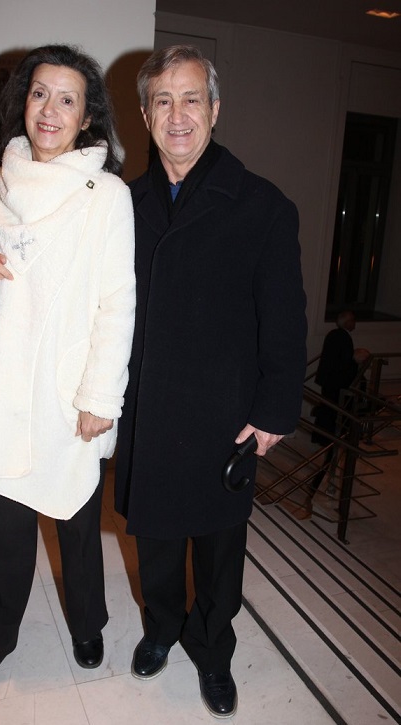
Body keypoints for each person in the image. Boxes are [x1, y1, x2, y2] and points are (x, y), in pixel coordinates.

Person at [114, 45, 307, 719]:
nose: (178, 115)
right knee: (156, 541)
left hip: (224, 416)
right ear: (145, 115)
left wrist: (275, 410)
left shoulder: (263, 206)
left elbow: (285, 321)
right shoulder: (123, 205)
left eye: (191, 98)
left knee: (221, 551)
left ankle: (213, 647)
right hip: (148, 411)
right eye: (163, 100)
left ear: (215, 109)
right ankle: (162, 627)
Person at [0, 44, 135, 687]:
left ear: (87, 117)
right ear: (23, 102)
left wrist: (99, 398)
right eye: (39, 94)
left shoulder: (107, 196)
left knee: (76, 523)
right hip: (5, 388)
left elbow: (117, 305)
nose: (50, 110)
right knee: (3, 529)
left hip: (69, 392)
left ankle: (88, 625)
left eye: (67, 99)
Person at [310, 310, 369, 495]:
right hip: (336, 384)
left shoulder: (333, 335)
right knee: (335, 414)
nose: (355, 323)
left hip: (329, 382)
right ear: (348, 322)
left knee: (329, 411)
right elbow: (343, 363)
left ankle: (326, 438)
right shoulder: (343, 338)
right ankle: (330, 439)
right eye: (353, 320)